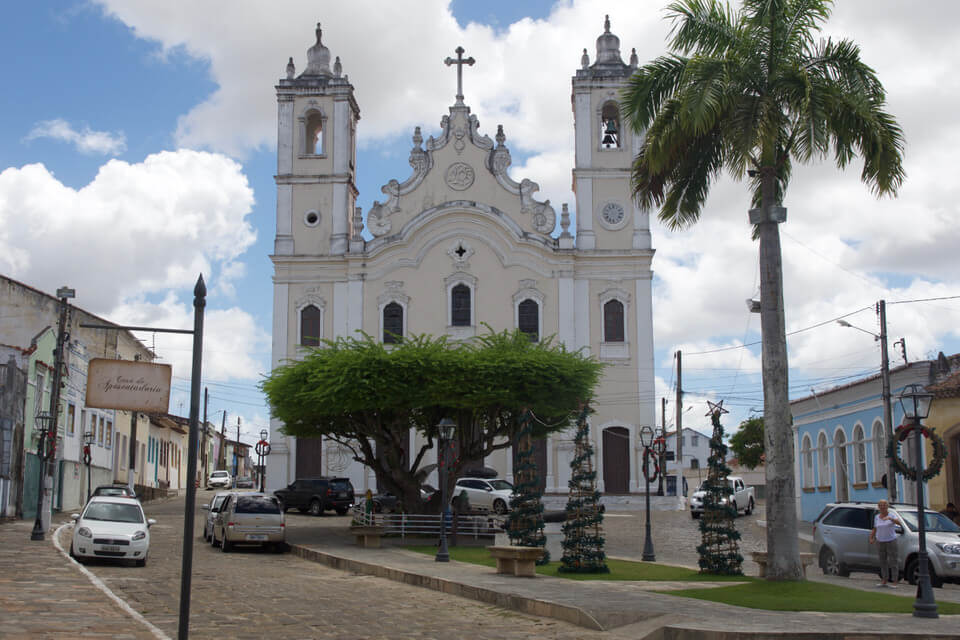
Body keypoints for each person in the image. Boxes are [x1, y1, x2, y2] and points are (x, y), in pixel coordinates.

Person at [869, 499, 904, 588]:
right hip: (880, 541)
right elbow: (875, 528)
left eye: (884, 505)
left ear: (887, 506)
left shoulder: (891, 515)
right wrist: (871, 537)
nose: (882, 507)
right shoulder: (877, 517)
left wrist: (890, 519)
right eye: (880, 505)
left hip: (891, 540)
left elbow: (899, 523)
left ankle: (895, 581)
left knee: (893, 561)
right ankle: (884, 580)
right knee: (882, 561)